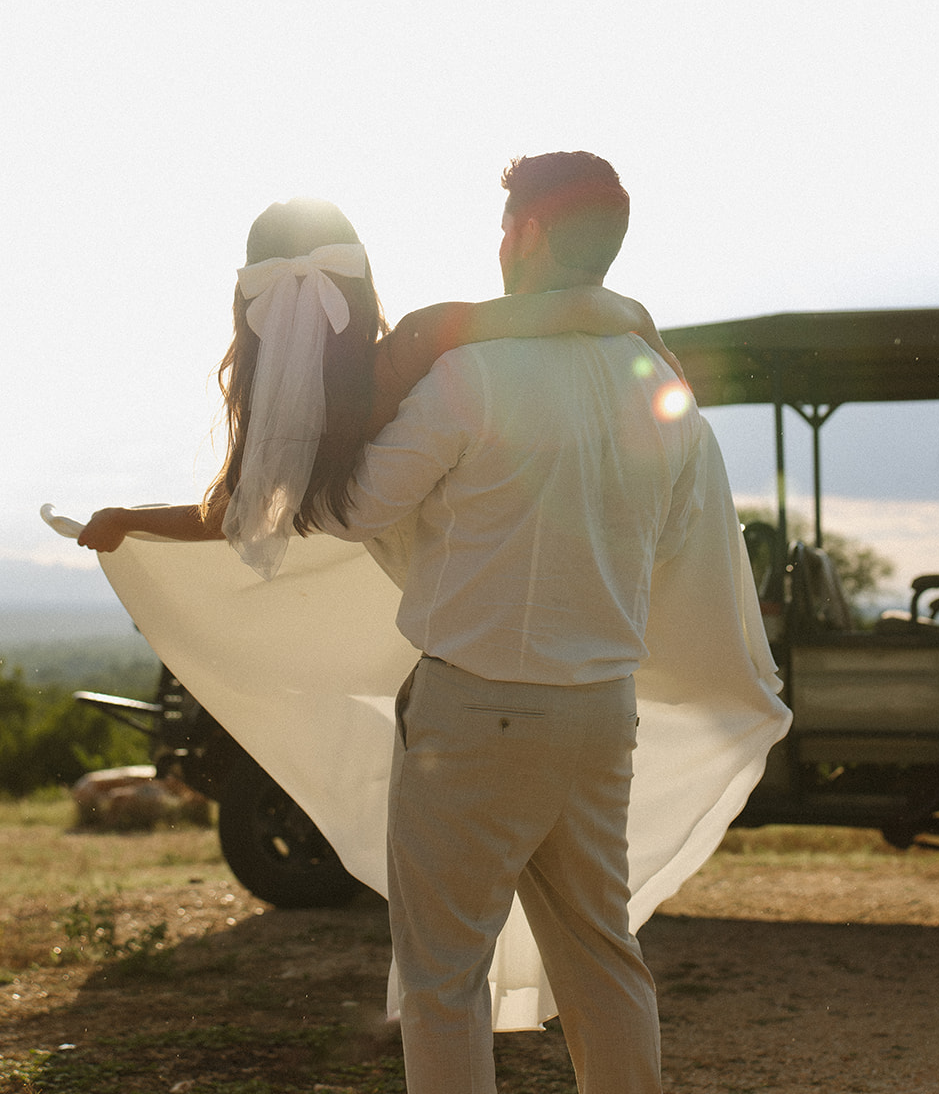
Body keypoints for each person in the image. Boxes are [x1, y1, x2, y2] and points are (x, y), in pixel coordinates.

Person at [318, 152, 703, 1094]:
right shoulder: (660, 385)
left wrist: (308, 456)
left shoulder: (469, 379)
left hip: (477, 711)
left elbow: (354, 510)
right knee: (602, 957)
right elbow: (677, 538)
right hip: (602, 709)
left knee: (444, 978)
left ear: (526, 234)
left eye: (505, 229)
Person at [77, 193, 680, 564]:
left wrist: (129, 517)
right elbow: (573, 306)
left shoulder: (285, 421)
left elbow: (238, 514)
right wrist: (641, 321)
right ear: (358, 284)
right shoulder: (414, 343)